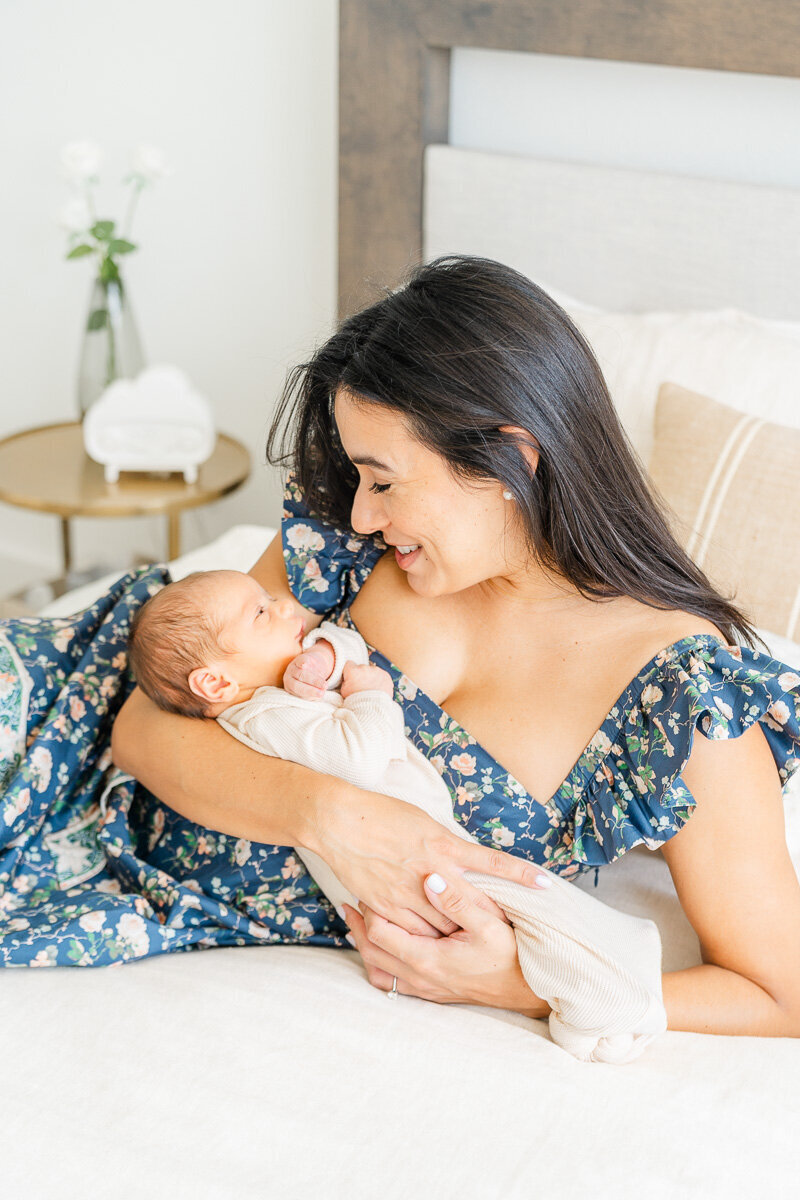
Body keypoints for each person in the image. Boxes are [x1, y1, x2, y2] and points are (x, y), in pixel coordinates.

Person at [113, 255, 800, 1036]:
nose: (363, 514)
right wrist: (333, 816)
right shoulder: (346, 545)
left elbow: (781, 989)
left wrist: (523, 985)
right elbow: (138, 728)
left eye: (384, 481)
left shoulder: (677, 694)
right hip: (82, 799)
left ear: (512, 456)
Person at [125, 567, 669, 1061]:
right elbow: (358, 760)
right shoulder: (266, 717)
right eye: (262, 612)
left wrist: (326, 657)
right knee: (540, 911)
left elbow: (341, 640)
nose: (289, 609)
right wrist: (369, 693)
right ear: (217, 684)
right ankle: (609, 991)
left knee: (536, 920)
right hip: (420, 870)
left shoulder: (281, 687)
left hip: (426, 854)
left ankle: (605, 995)